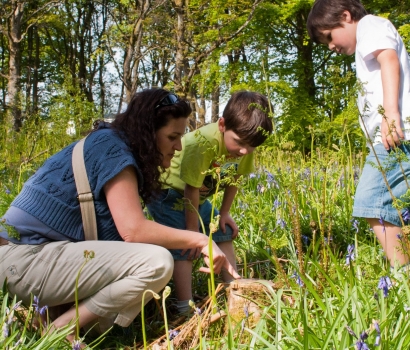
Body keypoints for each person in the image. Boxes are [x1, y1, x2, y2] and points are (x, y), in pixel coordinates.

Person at [0, 88, 240, 344]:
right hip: (21, 259)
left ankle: (42, 318)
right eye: (172, 136)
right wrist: (202, 240)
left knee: (112, 313)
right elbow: (133, 230)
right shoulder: (113, 151)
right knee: (156, 263)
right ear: (148, 132)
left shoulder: (112, 143)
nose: (178, 146)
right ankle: (58, 330)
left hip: (34, 258)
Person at [306, 0, 410, 267]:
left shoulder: (369, 25)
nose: (330, 46)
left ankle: (406, 275)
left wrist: (390, 114)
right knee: (392, 208)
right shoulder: (367, 35)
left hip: (400, 133)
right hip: (401, 133)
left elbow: (389, 59)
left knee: (372, 201)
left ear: (346, 16)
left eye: (329, 37)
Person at [147, 91, 273, 314]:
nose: (244, 151)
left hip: (199, 198)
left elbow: (234, 179)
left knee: (223, 231)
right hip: (169, 194)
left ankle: (234, 288)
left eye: (250, 147)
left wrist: (224, 213)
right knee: (185, 246)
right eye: (239, 143)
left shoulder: (246, 144)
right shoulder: (202, 143)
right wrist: (193, 232)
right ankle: (185, 306)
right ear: (222, 124)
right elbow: (190, 189)